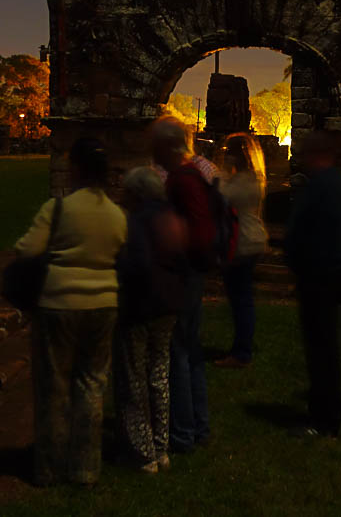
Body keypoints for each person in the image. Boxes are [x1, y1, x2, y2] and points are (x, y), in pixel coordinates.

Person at [15, 137, 126, 487]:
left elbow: (28, 249)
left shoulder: (58, 209)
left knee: (54, 385)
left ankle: (50, 468)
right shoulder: (115, 214)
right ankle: (85, 469)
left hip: (58, 304)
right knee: (92, 384)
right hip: (103, 304)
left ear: (76, 168)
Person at [113, 166, 189, 474]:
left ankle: (143, 453)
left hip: (140, 307)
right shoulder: (171, 216)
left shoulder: (136, 222)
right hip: (168, 305)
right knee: (159, 375)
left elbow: (136, 265)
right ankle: (162, 447)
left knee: (134, 379)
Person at [150, 116, 214, 453]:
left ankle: (183, 433)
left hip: (184, 273)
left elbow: (187, 233)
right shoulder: (196, 173)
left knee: (179, 354)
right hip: (194, 272)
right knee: (191, 352)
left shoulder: (179, 180)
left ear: (166, 146)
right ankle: (198, 426)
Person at [284, 131, 341, 438]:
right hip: (323, 273)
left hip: (319, 276)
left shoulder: (324, 186)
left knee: (321, 348)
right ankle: (323, 412)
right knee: (322, 347)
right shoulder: (333, 184)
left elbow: (314, 232)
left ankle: (324, 420)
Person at [215, 133, 268, 368]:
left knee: (240, 299)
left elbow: (220, 198)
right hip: (253, 237)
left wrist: (220, 175)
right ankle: (243, 347)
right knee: (242, 297)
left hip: (242, 241)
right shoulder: (255, 179)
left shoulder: (239, 183)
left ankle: (241, 352)